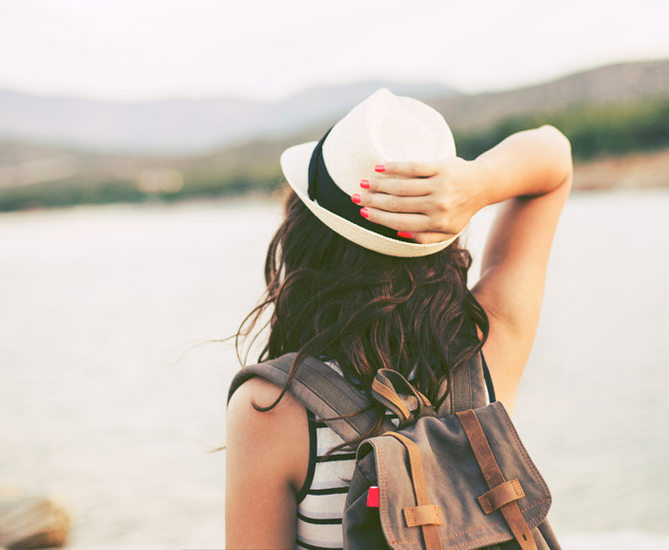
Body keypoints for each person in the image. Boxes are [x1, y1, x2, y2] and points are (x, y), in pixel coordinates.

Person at [226, 89, 572, 550]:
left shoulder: (269, 408)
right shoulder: (489, 346)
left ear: (304, 236)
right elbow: (554, 157)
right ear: (442, 232)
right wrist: (478, 183)